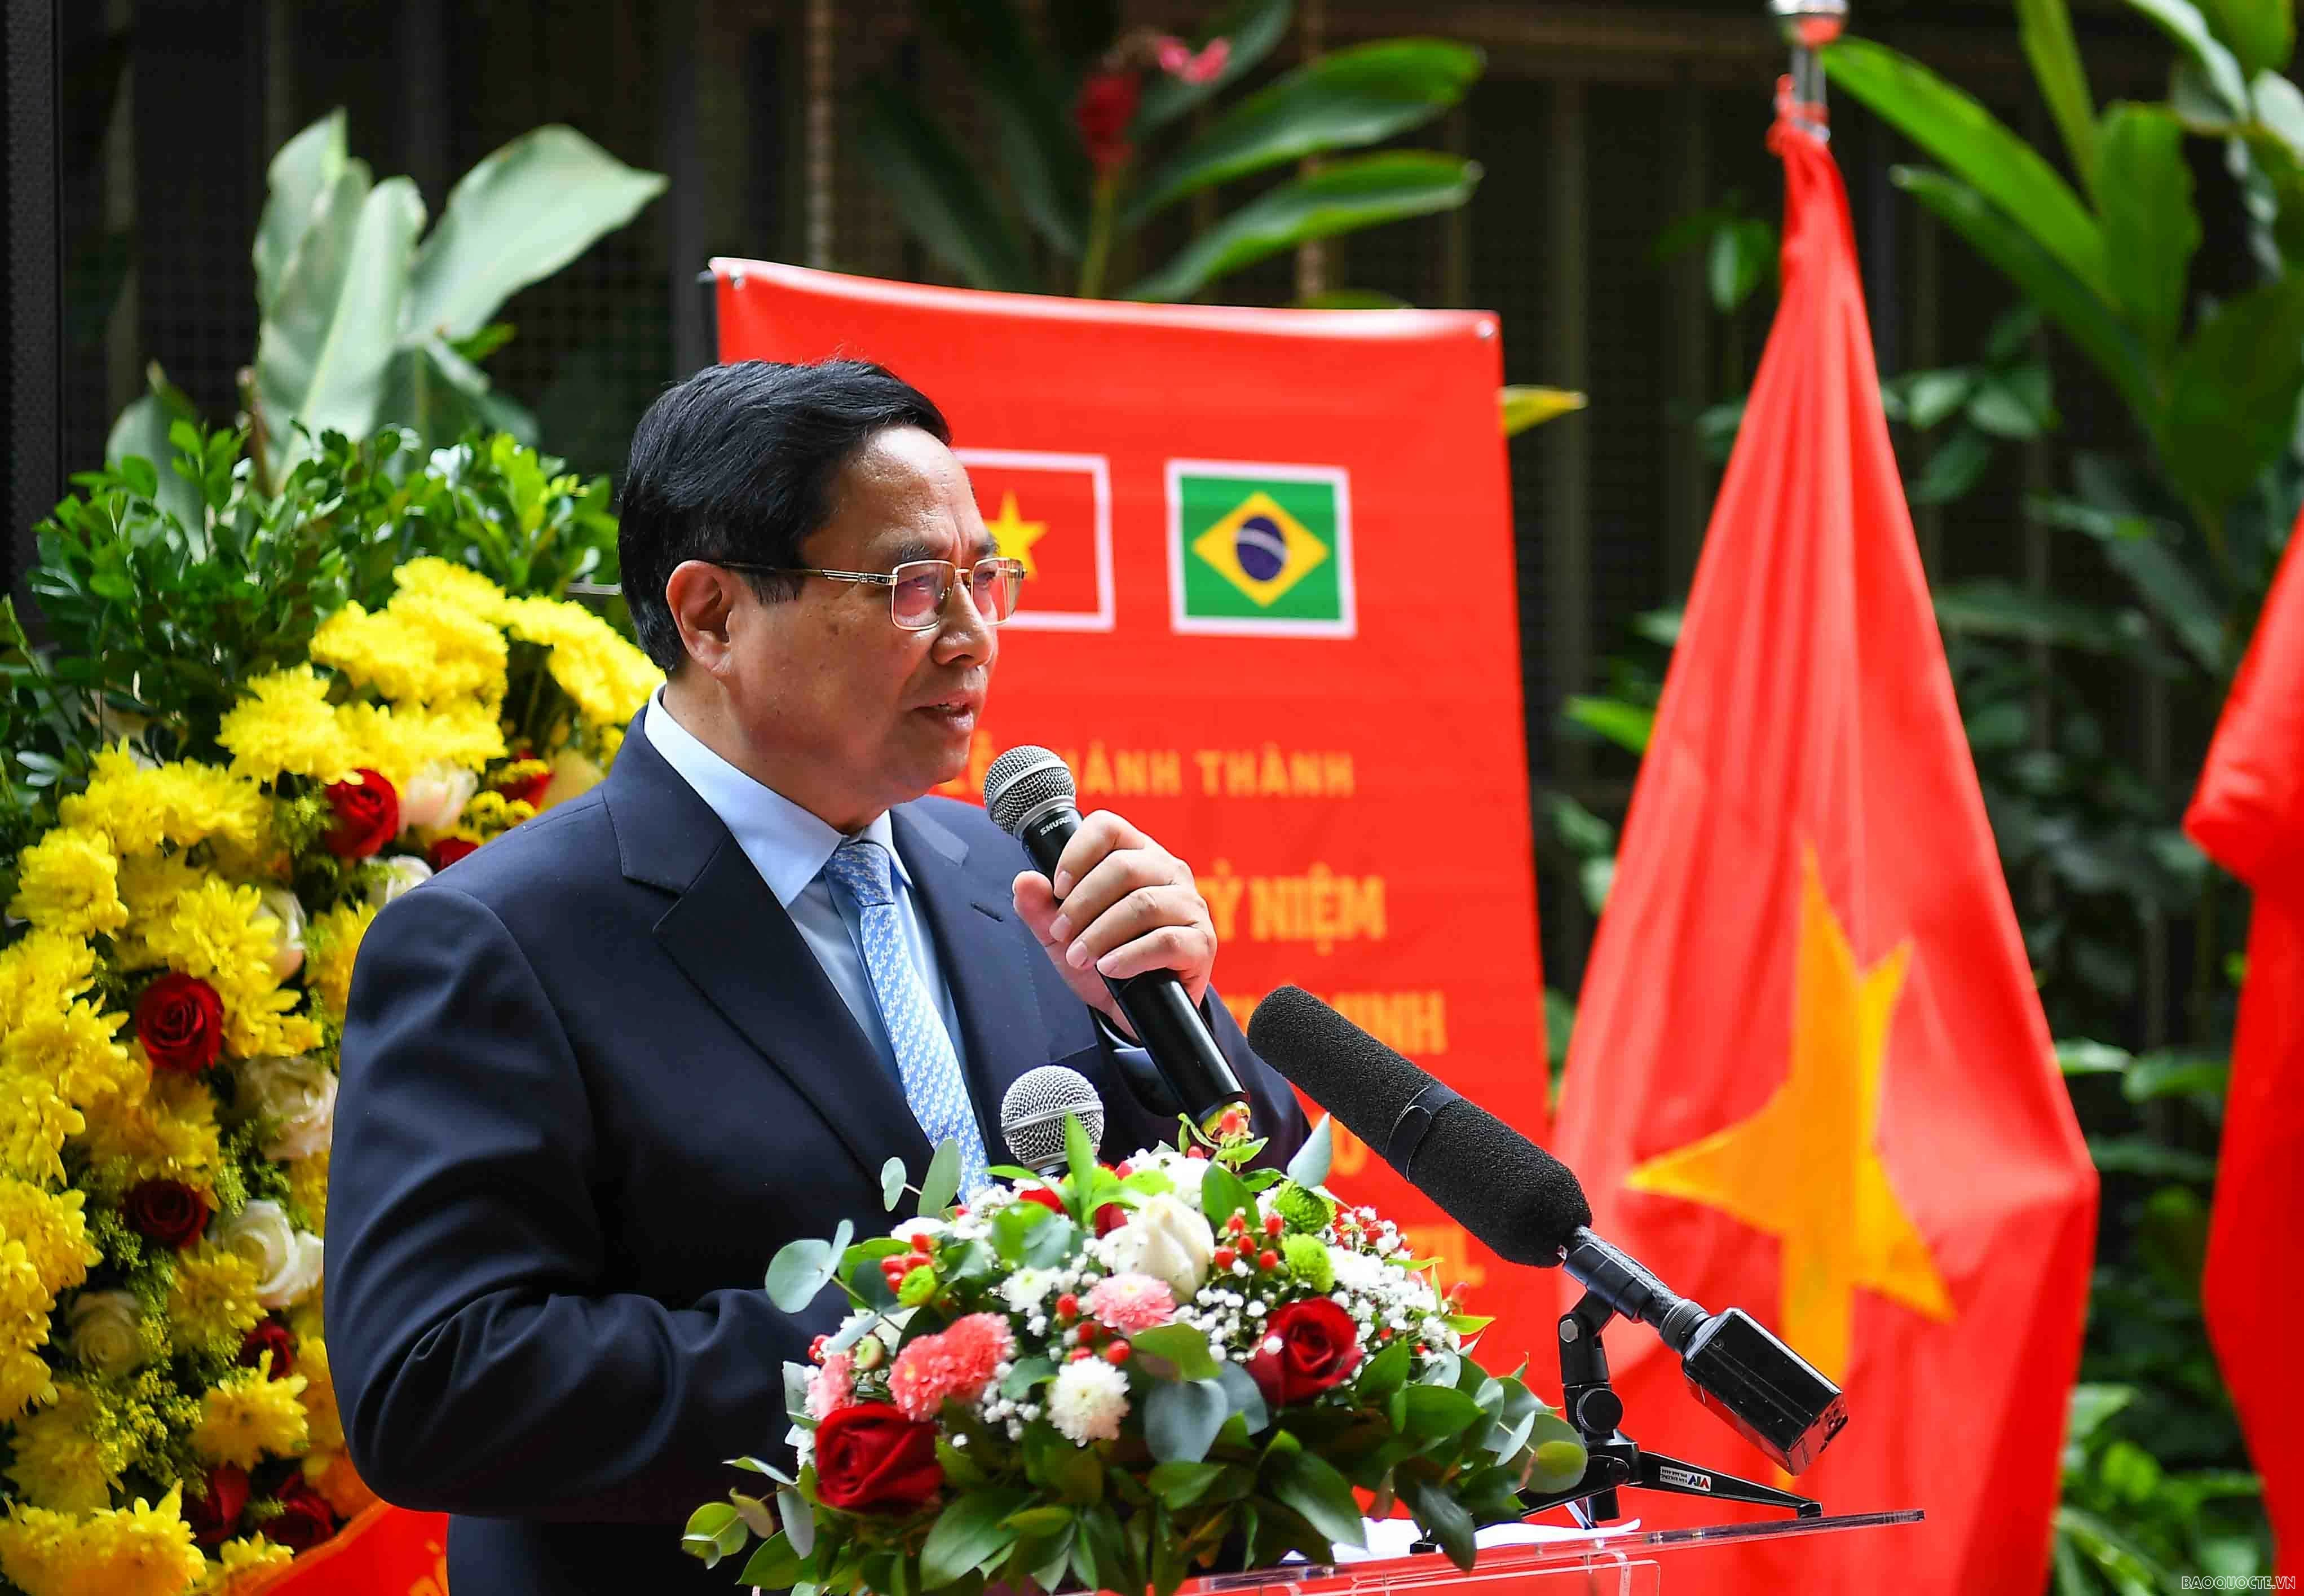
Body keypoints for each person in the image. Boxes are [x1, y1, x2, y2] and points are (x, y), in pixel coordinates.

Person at [324, 359, 1309, 1595]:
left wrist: (1175, 1017)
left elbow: (1259, 1203)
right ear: (711, 616)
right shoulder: (497, 937)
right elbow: (436, 1384)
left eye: (984, 578)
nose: (973, 633)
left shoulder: (1012, 873)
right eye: (909, 586)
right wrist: (924, 1349)